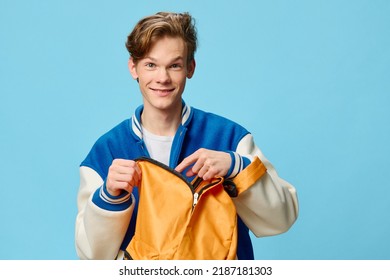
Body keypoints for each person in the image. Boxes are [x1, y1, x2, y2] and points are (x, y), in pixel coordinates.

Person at [75, 11, 298, 260]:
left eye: (175, 65)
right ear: (133, 68)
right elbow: (91, 257)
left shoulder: (230, 138)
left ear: (190, 68)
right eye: (151, 64)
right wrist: (109, 196)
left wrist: (237, 167)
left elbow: (282, 219)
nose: (163, 78)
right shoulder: (106, 153)